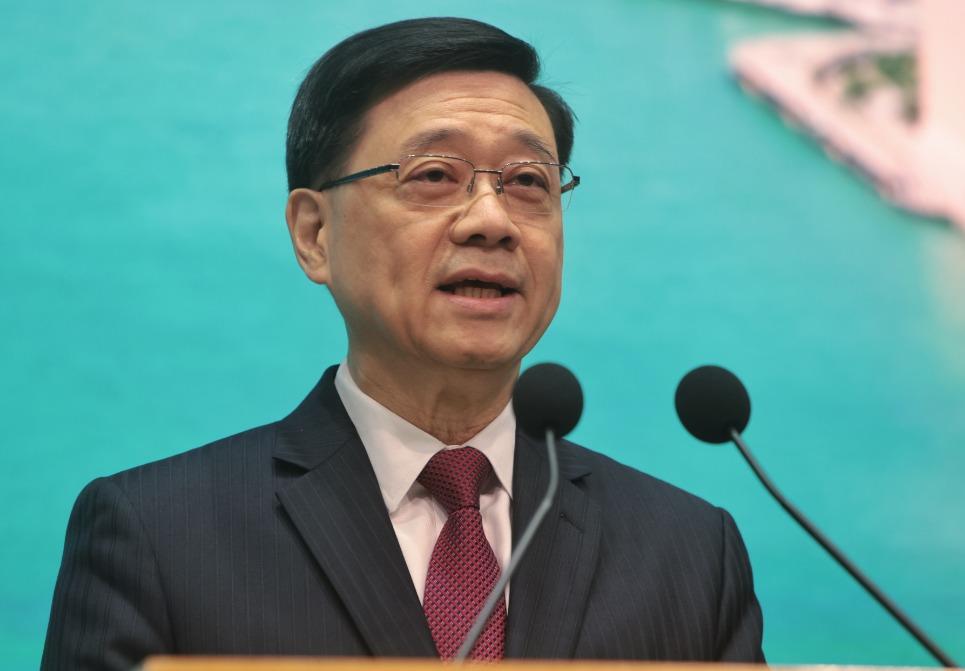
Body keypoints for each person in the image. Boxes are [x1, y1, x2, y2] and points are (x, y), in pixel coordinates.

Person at [41, 17, 765, 670]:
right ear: (314, 233)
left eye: (527, 182)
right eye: (434, 175)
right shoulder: (160, 535)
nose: (492, 220)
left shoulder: (688, 551)